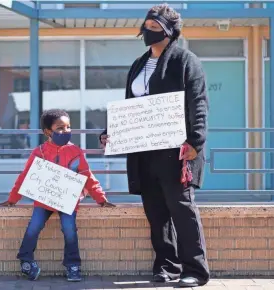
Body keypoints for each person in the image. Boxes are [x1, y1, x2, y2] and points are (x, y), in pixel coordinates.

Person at [100, 4, 209, 288]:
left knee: (182, 209)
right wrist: (113, 130)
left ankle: (195, 271)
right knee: (156, 212)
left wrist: (195, 141)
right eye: (146, 26)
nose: (147, 31)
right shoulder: (138, 64)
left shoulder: (186, 61)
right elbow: (131, 106)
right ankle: (167, 266)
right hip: (143, 152)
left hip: (177, 151)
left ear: (169, 32)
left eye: (154, 28)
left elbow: (198, 104)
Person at [0, 109, 115, 282]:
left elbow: (87, 176)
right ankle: (26, 261)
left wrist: (101, 198)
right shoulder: (39, 152)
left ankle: (73, 266)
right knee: (33, 228)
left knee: (70, 231)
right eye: (60, 128)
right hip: (43, 202)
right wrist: (12, 199)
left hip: (69, 202)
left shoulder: (75, 152)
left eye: (68, 127)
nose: (66, 131)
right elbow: (25, 176)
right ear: (47, 131)